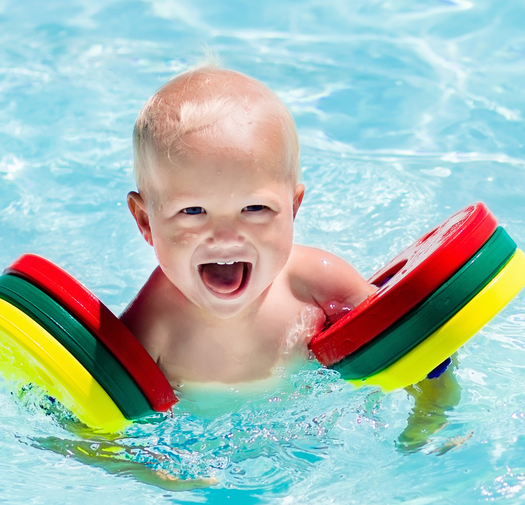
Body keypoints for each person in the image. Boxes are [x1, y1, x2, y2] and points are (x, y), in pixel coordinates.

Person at [120, 65, 375, 385]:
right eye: (193, 210)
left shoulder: (316, 284)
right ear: (146, 221)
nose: (225, 236)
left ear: (292, 208)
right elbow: (105, 413)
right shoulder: (151, 324)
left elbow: (399, 336)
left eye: (254, 208)